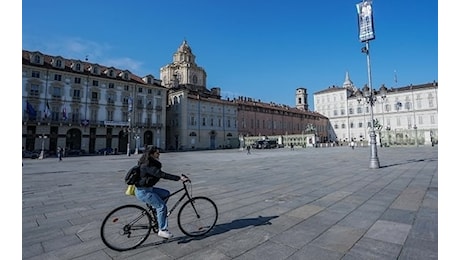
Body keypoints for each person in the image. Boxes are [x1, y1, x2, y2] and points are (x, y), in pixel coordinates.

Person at [134, 146, 188, 239]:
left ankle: (157, 214)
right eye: (157, 153)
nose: (159, 154)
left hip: (147, 189)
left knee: (166, 193)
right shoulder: (148, 165)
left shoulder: (148, 162)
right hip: (143, 192)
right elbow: (161, 174)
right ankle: (162, 230)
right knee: (162, 206)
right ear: (151, 154)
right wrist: (179, 178)